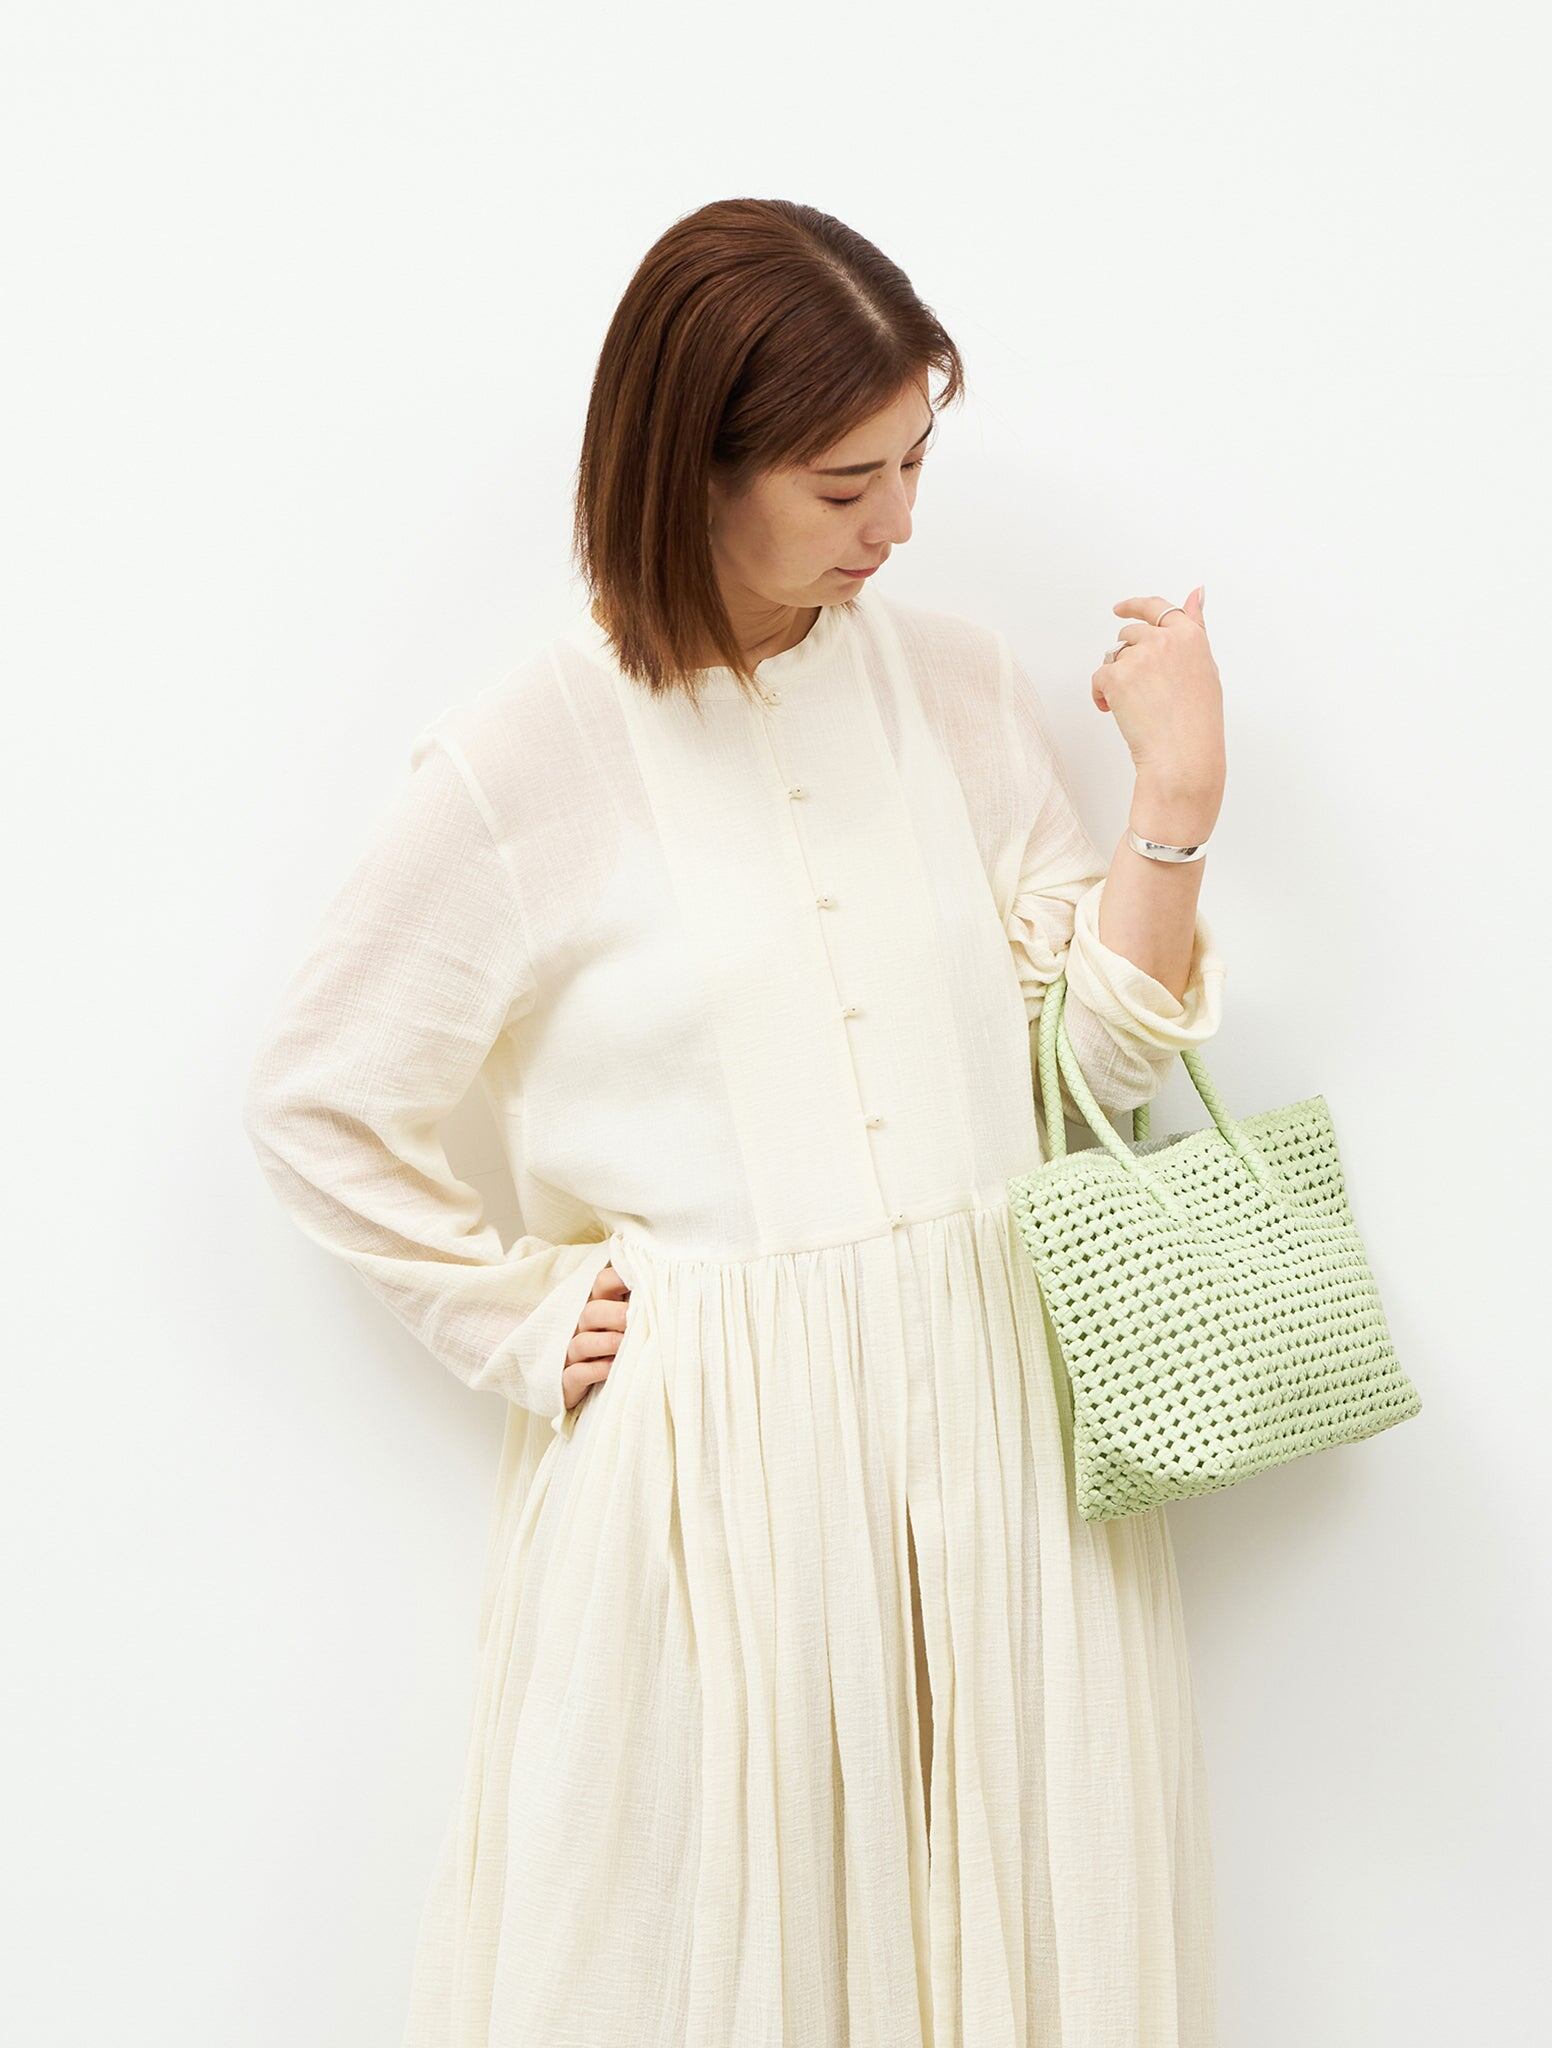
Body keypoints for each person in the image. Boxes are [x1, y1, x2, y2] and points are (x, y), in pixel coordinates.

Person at [241, 197, 1229, 2047]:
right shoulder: (523, 758)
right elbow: (318, 1095)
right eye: (848, 481)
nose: (899, 522)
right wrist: (517, 1316)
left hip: (999, 1431)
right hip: (714, 1475)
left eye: (919, 462)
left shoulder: (956, 689)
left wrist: (1174, 796)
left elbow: (1089, 1081)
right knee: (691, 1965)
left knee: (1018, 1950)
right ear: (689, 464)